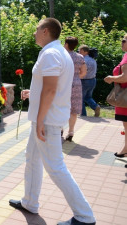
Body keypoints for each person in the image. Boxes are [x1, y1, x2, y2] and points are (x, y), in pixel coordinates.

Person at [8, 18, 96, 225]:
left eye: (37, 29)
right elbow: (49, 86)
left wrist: (39, 121)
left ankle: (84, 216)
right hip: (47, 117)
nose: (34, 33)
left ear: (45, 31)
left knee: (56, 167)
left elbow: (50, 89)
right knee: (32, 157)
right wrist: (33, 93)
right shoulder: (56, 52)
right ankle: (30, 202)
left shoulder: (50, 53)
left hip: (46, 120)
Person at [104, 34, 127, 158]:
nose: (122, 42)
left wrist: (111, 78)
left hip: (125, 97)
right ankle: (125, 149)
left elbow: (125, 77)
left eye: (124, 40)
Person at [64, 37, 86, 141]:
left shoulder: (62, 56)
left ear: (67, 44)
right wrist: (76, 77)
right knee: (74, 109)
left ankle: (59, 129)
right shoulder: (80, 57)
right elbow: (84, 72)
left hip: (63, 83)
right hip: (76, 83)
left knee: (62, 106)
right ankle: (71, 131)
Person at [79, 45, 101, 117]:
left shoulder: (84, 60)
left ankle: (83, 114)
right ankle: (95, 106)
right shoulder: (93, 60)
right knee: (88, 97)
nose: (79, 53)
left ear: (86, 52)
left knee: (80, 98)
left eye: (80, 51)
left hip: (84, 81)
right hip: (93, 80)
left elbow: (82, 71)